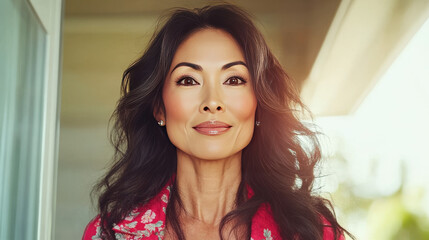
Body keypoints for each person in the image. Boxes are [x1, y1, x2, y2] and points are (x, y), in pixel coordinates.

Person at [83, 4, 352, 240]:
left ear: (259, 105)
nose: (212, 101)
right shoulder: (110, 234)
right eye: (188, 80)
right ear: (159, 108)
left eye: (234, 80)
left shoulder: (313, 233)